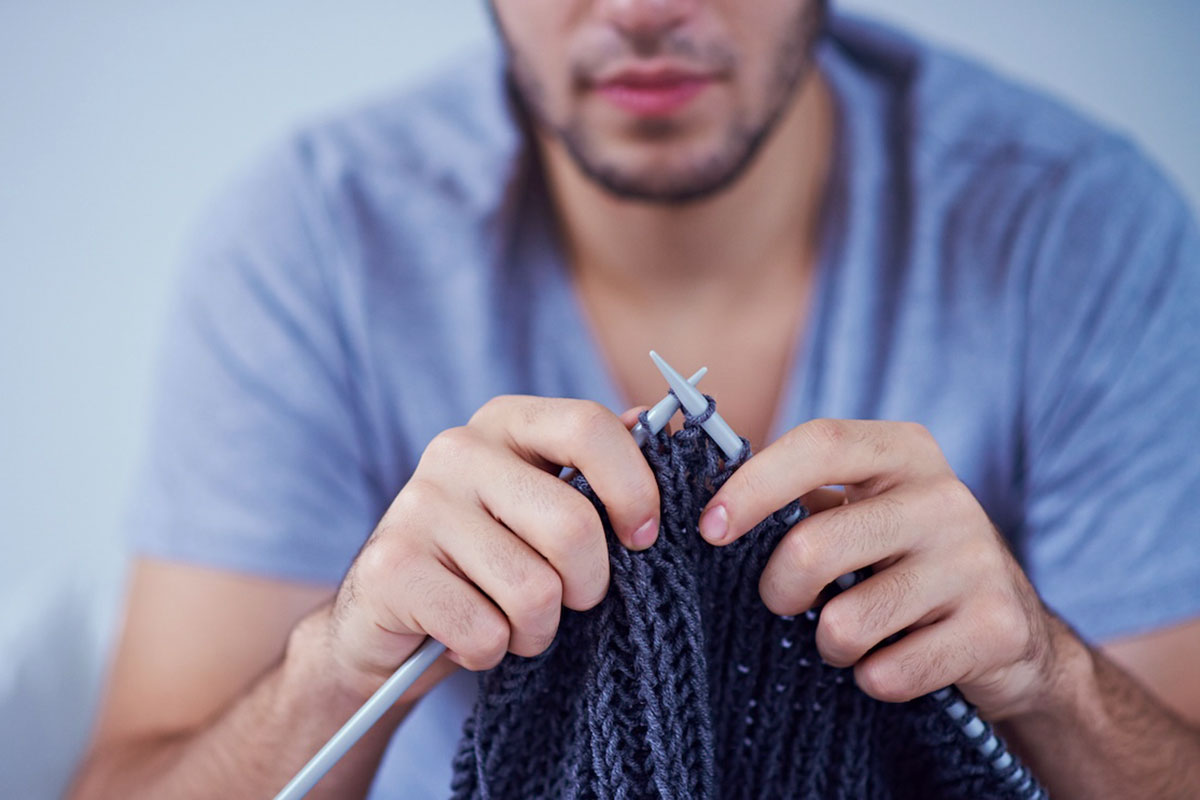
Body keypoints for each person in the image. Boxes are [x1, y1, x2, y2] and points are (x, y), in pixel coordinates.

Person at [70, 2, 1200, 798]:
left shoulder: (1080, 232)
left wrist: (1049, 677)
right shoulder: (313, 244)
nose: (643, 7)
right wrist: (344, 655)